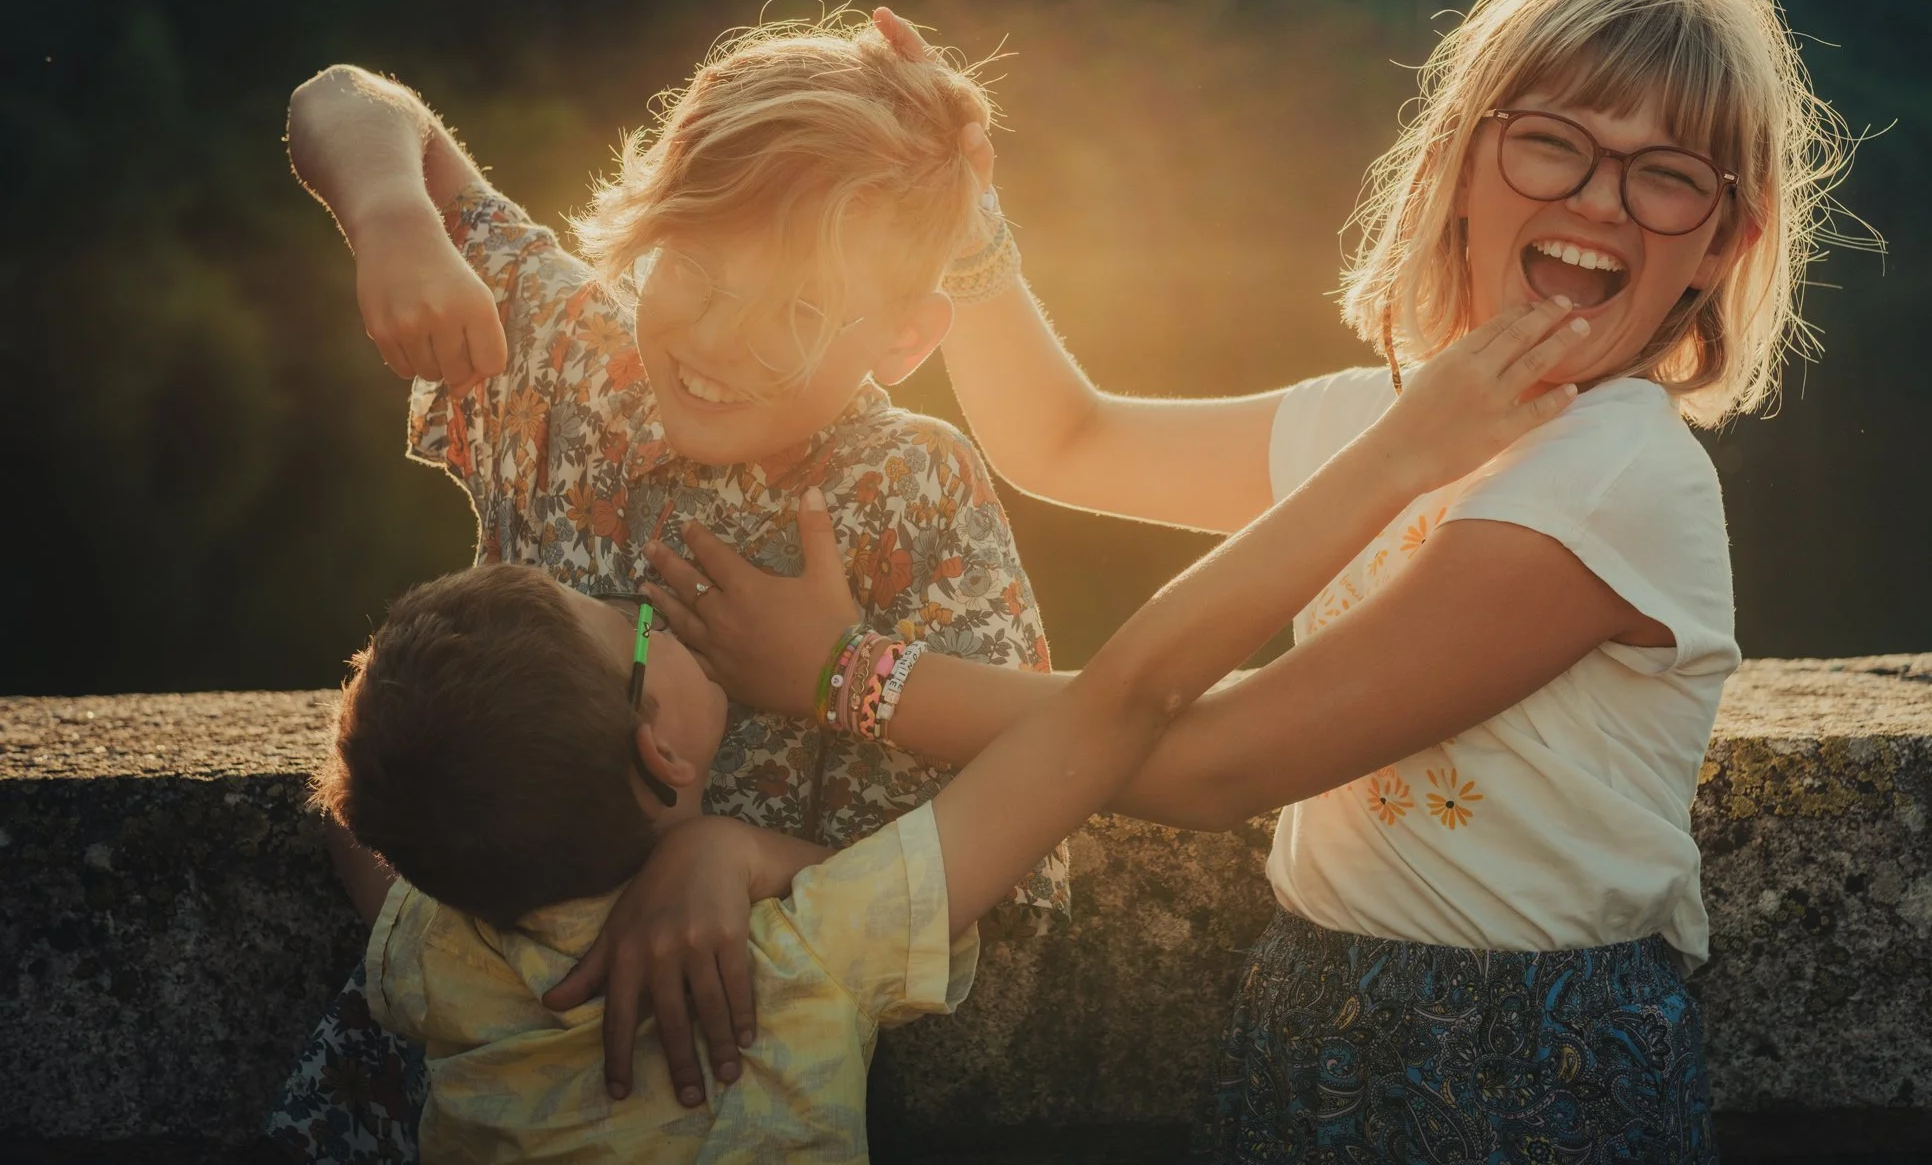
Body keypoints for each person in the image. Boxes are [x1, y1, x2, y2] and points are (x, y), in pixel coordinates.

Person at [626, 0, 1860, 1160]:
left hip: (1532, 1065)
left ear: (1722, 242)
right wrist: (970, 218)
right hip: (1307, 1012)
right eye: (1553, 142)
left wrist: (849, 676)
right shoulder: (1389, 416)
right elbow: (1064, 439)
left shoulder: (1623, 474)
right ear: (1464, 162)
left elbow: (1210, 764)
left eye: (1667, 173)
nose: (1598, 198)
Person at [317, 303, 1581, 1161]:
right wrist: (1400, 454)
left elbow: (373, 833)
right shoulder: (801, 958)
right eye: (617, 618)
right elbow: (1127, 699)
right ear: (659, 748)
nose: (635, 595)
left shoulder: (441, 954)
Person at [267, 13, 1066, 1160]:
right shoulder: (578, 361)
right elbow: (343, 98)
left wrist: (732, 849)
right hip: (446, 1077)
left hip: (736, 1088)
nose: (718, 339)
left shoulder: (912, 494)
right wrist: (393, 219)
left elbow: (995, 838)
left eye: (795, 310)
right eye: (693, 265)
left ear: (903, 334)